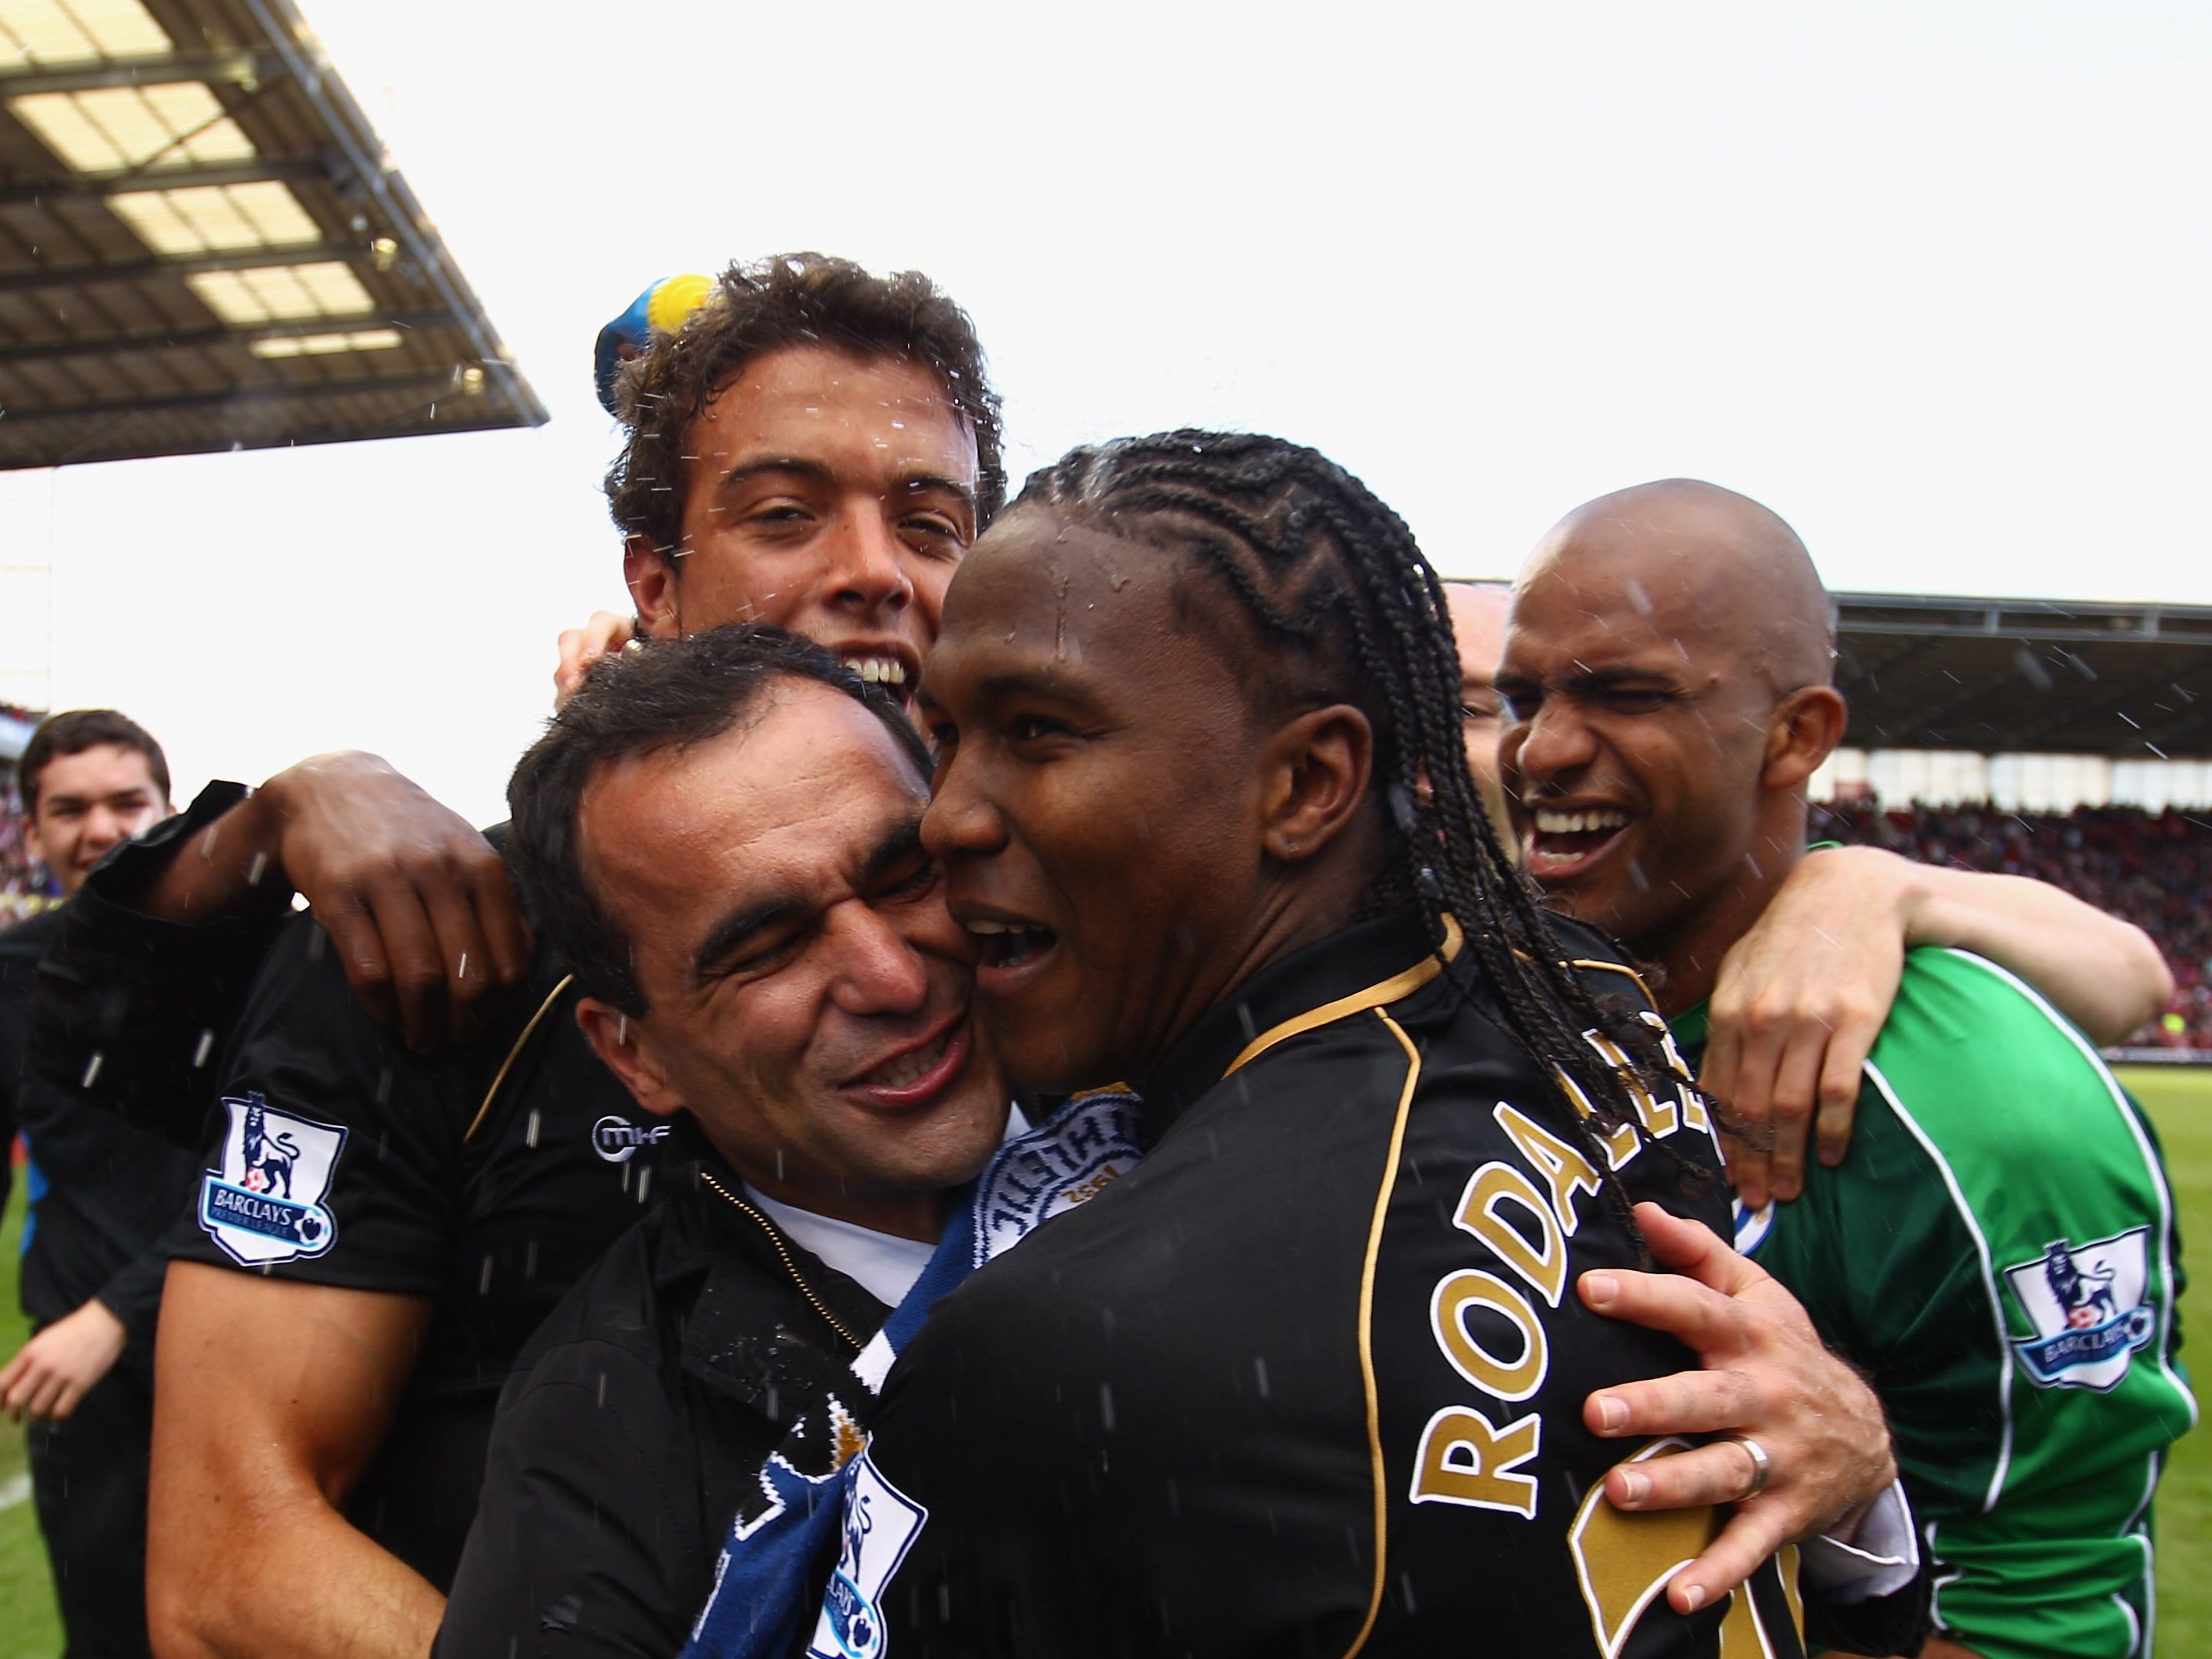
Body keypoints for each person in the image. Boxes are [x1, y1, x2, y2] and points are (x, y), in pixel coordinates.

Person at [23, 254, 1006, 1659]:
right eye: (786, 514)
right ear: (653, 583)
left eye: (930, 519)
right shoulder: (430, 947)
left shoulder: (1056, 919)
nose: (871, 572)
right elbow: (231, 1557)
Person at [818, 432, 1924, 1657]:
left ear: (1307, 782)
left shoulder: (1068, 1353)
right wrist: (1867, 1495)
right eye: (947, 731)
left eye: (1037, 731)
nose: (948, 812)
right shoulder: (1586, 990)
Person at [1494, 478, 2197, 1659]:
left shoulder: (1986, 1119)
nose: (1543, 748)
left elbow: (2029, 1609)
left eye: (1627, 693)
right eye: (1523, 695)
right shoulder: (1476, 997)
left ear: (1799, 735)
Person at [1442, 579, 2174, 1204]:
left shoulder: (1714, 911)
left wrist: (1876, 884)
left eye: (1476, 708)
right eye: (1521, 701)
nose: (1542, 745)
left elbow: (2135, 978)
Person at [0, 709, 195, 1659]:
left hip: (240, 1351)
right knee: (108, 1638)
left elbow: (283, 1187)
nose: (101, 829)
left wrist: (119, 1311)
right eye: (68, 810)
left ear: (170, 811)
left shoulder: (258, 959)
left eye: (127, 802)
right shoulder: (9, 977)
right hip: (81, 1387)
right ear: (32, 833)